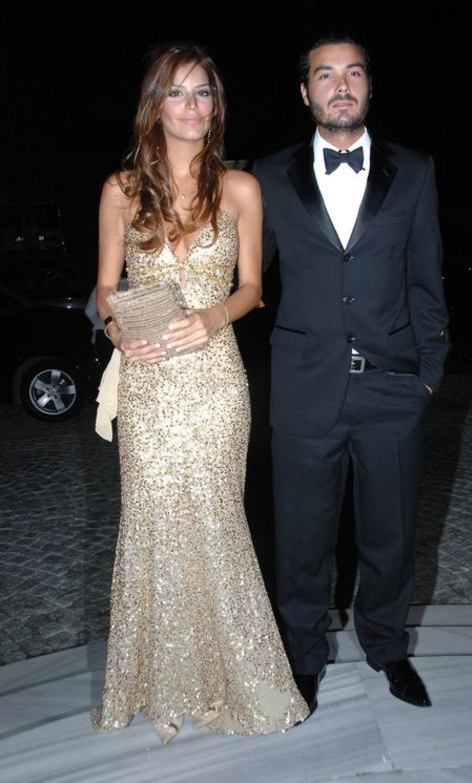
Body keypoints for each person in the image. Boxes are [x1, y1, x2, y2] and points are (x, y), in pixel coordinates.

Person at [91, 41, 308, 743]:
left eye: (203, 93)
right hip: (149, 381)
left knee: (217, 522)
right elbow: (105, 288)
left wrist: (212, 318)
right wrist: (120, 331)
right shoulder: (121, 190)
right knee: (153, 522)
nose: (191, 105)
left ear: (216, 107)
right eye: (177, 92)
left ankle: (228, 681)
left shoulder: (241, 188)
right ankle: (166, 684)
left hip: (216, 381)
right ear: (154, 105)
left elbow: (253, 287)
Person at [252, 34, 449, 716]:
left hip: (394, 389)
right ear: (304, 91)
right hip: (304, 389)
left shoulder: (415, 171)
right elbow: (242, 279)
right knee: (301, 541)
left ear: (369, 86)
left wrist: (428, 376)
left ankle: (388, 648)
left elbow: (427, 282)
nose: (341, 86)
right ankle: (304, 658)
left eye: (353, 73)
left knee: (391, 537)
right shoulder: (267, 176)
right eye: (325, 75)